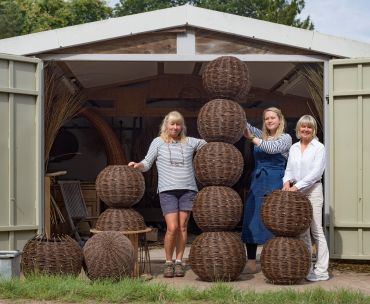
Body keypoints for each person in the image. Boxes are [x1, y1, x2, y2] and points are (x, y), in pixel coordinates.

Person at [128, 111, 206, 278]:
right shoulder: (158, 142)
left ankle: (179, 262)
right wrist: (137, 165)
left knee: (183, 227)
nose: (175, 127)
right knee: (172, 228)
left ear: (182, 126)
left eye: (178, 124)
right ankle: (168, 262)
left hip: (188, 189)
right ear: (166, 125)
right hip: (167, 190)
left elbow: (210, 144)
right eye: (172, 124)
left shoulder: (190, 142)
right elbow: (147, 163)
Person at [241, 107, 292, 273]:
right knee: (252, 217)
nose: (269, 121)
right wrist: (234, 110)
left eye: (272, 118)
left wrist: (253, 139)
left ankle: (273, 258)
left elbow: (272, 148)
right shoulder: (260, 134)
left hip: (276, 181)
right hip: (257, 181)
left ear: (280, 119)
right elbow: (244, 126)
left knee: (274, 219)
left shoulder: (286, 138)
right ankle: (251, 260)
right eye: (266, 118)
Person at [282, 114, 329, 282]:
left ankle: (322, 270)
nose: (306, 129)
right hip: (297, 192)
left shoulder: (319, 147)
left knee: (316, 230)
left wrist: (297, 186)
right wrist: (286, 182)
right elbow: (288, 169)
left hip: (313, 190)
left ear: (313, 130)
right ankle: (308, 268)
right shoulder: (294, 147)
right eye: (303, 126)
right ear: (298, 129)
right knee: (303, 232)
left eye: (309, 127)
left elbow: (316, 173)